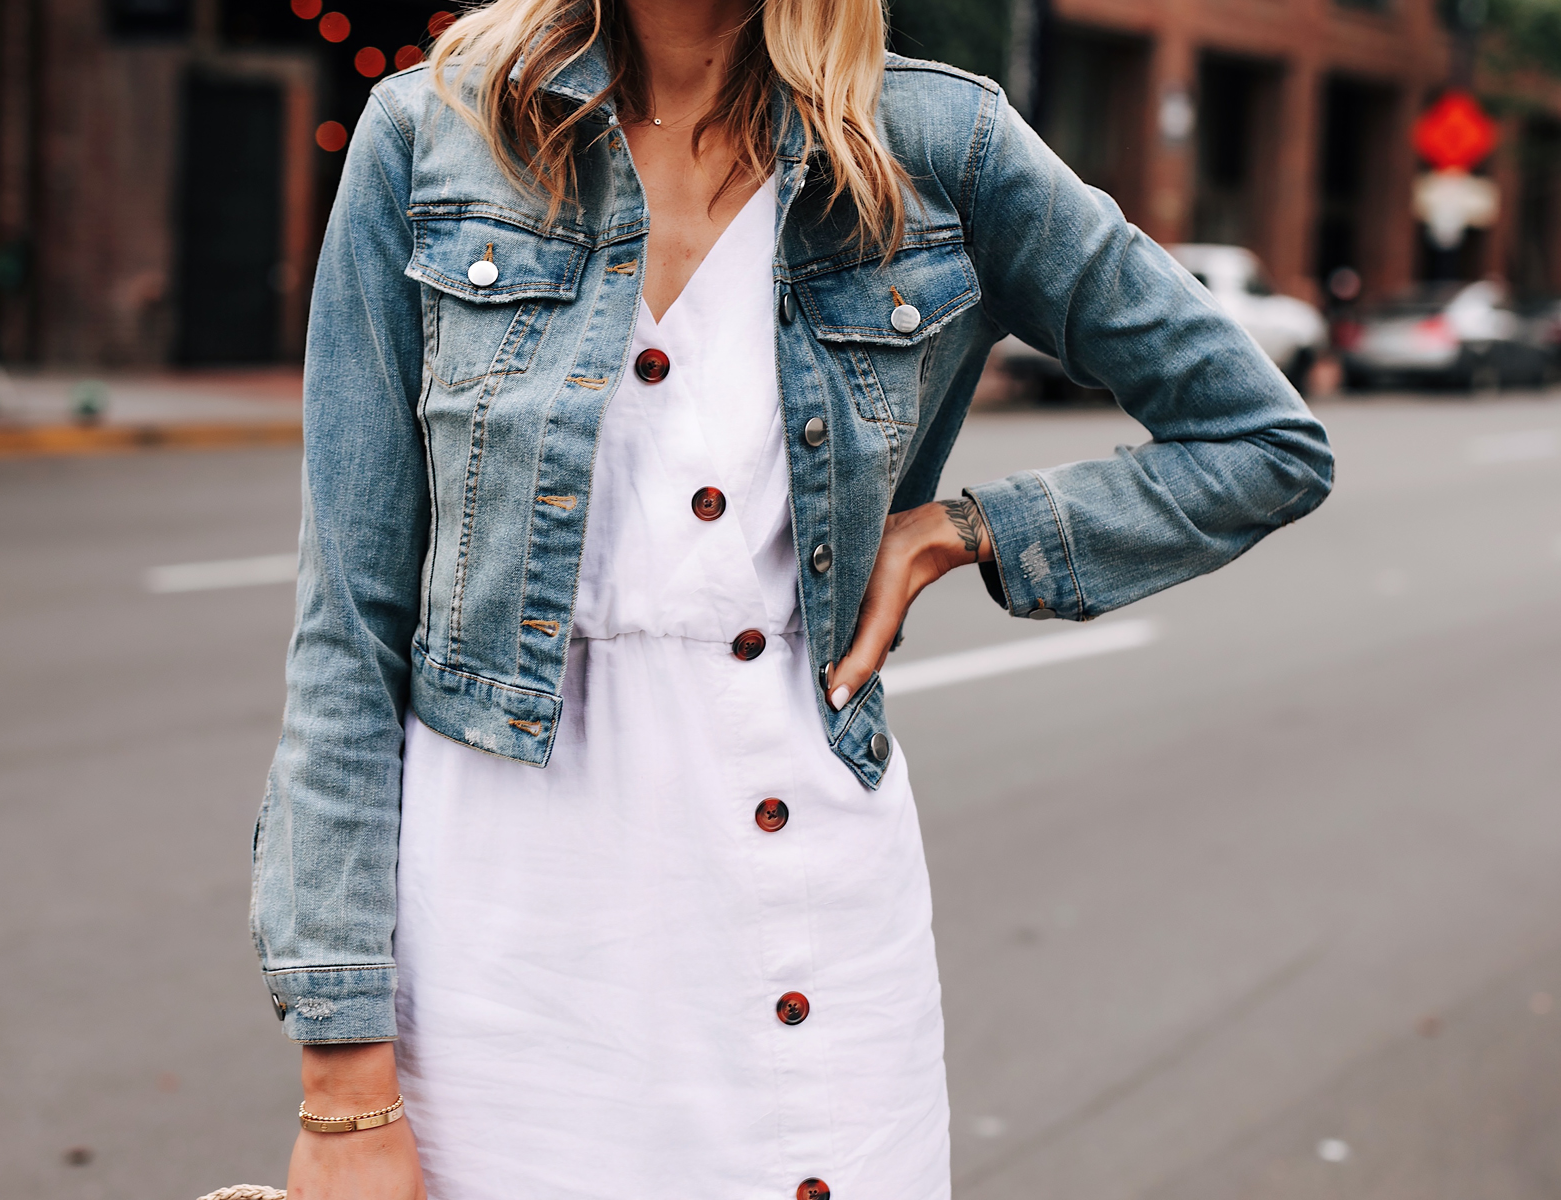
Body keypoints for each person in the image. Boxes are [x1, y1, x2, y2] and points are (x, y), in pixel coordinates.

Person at [250, 0, 1334, 1193]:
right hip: (502, 941)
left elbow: (1258, 439)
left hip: (800, 913)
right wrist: (344, 1090)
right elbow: (349, 632)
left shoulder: (936, 144)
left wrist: (964, 531)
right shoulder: (435, 131)